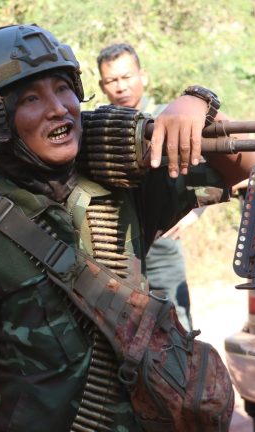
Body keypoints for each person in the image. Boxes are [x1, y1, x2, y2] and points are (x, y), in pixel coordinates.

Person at [0, 24, 255, 431]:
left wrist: (199, 105)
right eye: (31, 97)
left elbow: (243, 166)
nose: (59, 108)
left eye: (64, 88)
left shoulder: (122, 191)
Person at [97, 43, 223, 331]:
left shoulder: (172, 117)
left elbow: (207, 169)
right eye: (112, 80)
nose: (121, 87)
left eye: (127, 77)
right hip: (113, 246)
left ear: (144, 76)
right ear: (102, 86)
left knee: (176, 323)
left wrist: (195, 212)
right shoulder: (98, 128)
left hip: (163, 244)